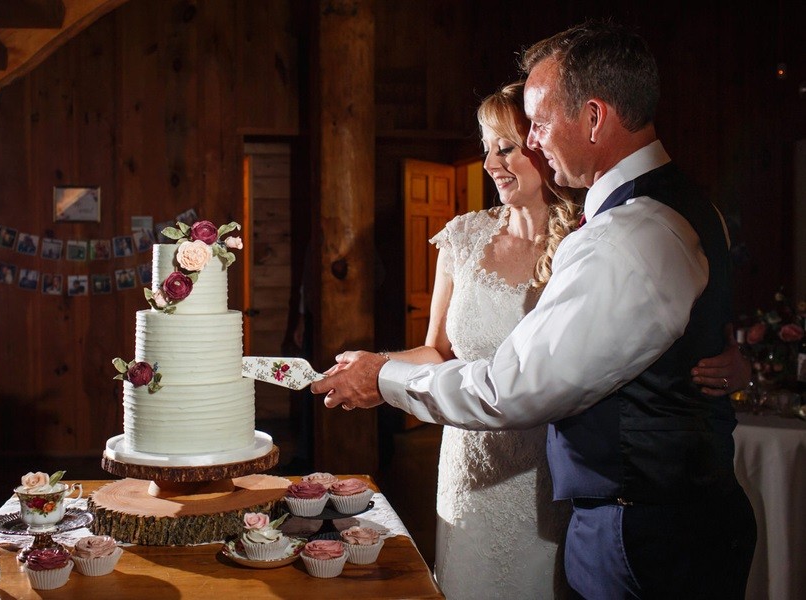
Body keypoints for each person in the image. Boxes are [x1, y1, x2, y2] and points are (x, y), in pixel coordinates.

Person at [313, 20, 756, 599]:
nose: (535, 143)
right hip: (663, 510)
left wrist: (385, 376)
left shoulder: (622, 237)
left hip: (639, 529)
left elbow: (512, 388)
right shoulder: (685, 207)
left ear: (594, 118)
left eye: (538, 125)